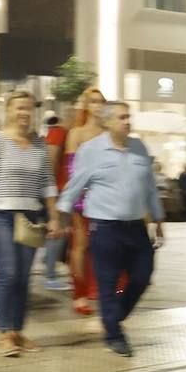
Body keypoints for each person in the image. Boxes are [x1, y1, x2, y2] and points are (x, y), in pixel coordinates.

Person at [58, 102, 165, 357]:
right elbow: (75, 185)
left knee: (142, 275)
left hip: (136, 227)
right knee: (107, 284)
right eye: (122, 117)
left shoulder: (139, 147)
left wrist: (159, 221)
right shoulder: (91, 150)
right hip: (105, 228)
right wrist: (63, 217)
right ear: (106, 122)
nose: (128, 121)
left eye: (129, 117)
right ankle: (114, 335)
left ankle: (113, 317)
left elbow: (149, 187)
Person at [0, 91, 63, 356]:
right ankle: (4, 333)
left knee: (23, 279)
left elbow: (47, 184)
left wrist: (54, 216)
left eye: (28, 109)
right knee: (8, 274)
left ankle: (17, 332)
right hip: (0, 215)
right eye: (19, 108)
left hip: (31, 217)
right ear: (8, 111)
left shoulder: (38, 144)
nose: (24, 113)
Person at [65, 86, 106, 316]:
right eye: (93, 101)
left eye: (100, 101)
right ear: (86, 106)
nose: (97, 106)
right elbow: (71, 167)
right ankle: (79, 293)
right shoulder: (76, 133)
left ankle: (99, 287)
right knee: (80, 245)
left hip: (107, 197)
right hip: (82, 195)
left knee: (104, 244)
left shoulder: (109, 133)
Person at [42, 113, 69, 291]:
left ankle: (49, 264)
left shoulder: (64, 132)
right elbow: (50, 160)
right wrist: (51, 189)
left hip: (64, 189)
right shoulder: (59, 132)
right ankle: (50, 275)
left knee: (61, 232)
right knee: (57, 231)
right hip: (59, 189)